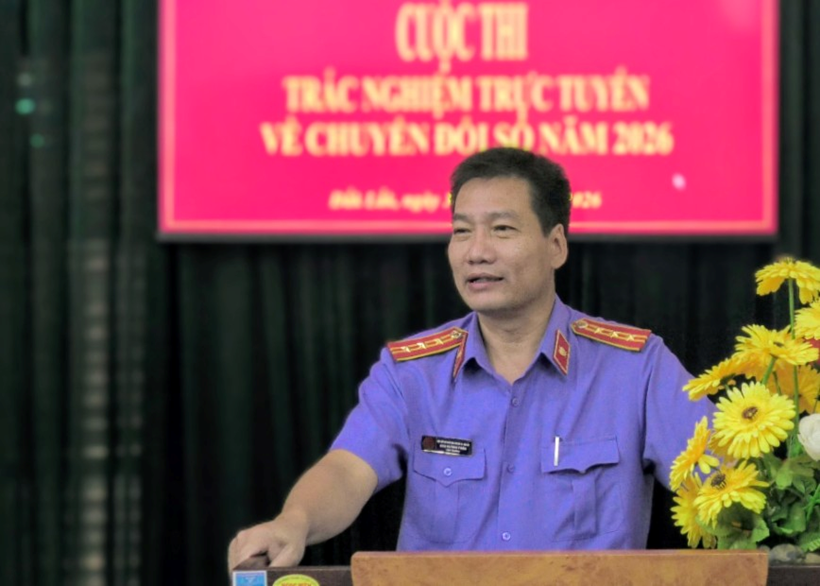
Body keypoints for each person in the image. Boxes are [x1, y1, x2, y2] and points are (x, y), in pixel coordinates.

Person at [227, 147, 713, 570]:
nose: (476, 252)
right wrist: (294, 521)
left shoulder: (635, 368)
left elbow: (726, 483)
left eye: (502, 229)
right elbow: (347, 470)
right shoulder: (411, 372)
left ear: (556, 245)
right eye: (462, 231)